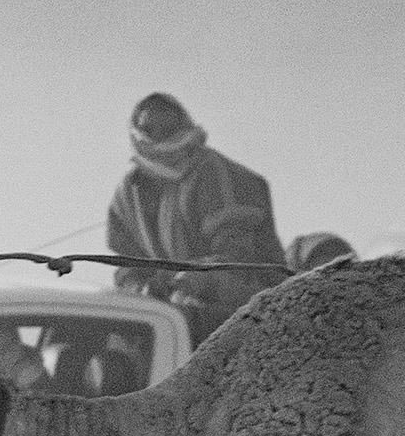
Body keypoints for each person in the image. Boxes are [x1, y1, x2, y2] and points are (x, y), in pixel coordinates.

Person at [105, 92, 288, 346]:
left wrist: (187, 280)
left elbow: (239, 260)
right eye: (150, 128)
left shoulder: (219, 174)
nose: (159, 135)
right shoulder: (128, 193)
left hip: (251, 314)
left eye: (168, 127)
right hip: (172, 314)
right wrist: (142, 289)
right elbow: (127, 266)